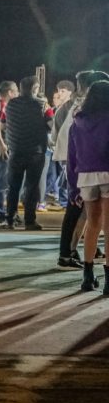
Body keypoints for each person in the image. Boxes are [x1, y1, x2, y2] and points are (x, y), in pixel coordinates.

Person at [66, 81, 109, 295]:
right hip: (108, 172)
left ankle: (87, 276)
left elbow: (71, 156)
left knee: (92, 225)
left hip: (85, 176)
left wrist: (73, 187)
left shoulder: (78, 122)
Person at [3, 76, 49, 230]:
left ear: (21, 88)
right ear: (35, 89)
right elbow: (50, 123)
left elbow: (3, 124)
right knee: (32, 186)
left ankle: (10, 218)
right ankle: (30, 221)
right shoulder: (42, 105)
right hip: (35, 152)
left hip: (15, 150)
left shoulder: (10, 105)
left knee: (13, 186)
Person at [0, 81, 18, 227]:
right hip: (3, 149)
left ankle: (8, 213)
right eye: (16, 91)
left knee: (7, 181)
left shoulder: (1, 105)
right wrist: (2, 145)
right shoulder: (2, 105)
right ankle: (0, 215)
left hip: (5, 147)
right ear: (10, 92)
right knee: (1, 182)